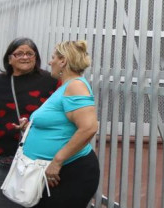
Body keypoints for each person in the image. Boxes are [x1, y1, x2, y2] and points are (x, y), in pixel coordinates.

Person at [0, 37, 58, 208]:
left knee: (27, 201)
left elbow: (62, 110)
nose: (25, 57)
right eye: (19, 53)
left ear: (36, 58)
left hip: (33, 159)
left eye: (30, 53)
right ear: (9, 59)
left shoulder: (50, 81)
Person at [21, 40, 100, 207]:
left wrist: (57, 160)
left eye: (53, 58)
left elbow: (89, 127)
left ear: (63, 61)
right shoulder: (66, 86)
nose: (50, 62)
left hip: (69, 171)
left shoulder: (76, 86)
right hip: (54, 172)